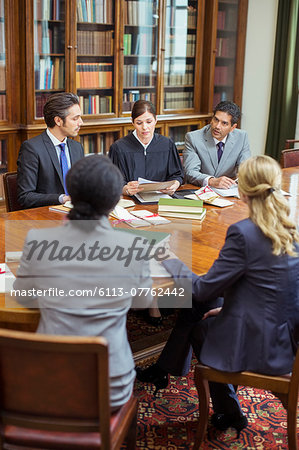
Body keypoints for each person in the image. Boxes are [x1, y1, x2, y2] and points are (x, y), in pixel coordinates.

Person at [136, 155, 299, 436]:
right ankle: (166, 368)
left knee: (199, 318)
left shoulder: (243, 233)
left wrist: (167, 256)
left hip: (258, 344)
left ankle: (230, 411)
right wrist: (231, 308)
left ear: (243, 191)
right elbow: (277, 287)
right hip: (287, 339)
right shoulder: (290, 229)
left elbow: (200, 289)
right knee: (203, 310)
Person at [13, 154, 154, 411]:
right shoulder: (135, 246)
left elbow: (23, 296)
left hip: (47, 380)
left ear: (72, 195)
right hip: (112, 386)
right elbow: (143, 301)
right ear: (114, 203)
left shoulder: (37, 240)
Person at [17, 92, 84, 209]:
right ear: (58, 121)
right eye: (75, 118)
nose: (81, 122)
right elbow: (25, 196)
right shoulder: (32, 148)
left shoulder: (76, 147)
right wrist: (62, 198)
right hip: (47, 217)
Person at [109, 99, 184, 197]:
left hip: (161, 199)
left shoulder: (167, 145)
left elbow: (177, 175)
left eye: (149, 122)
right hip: (131, 201)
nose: (144, 127)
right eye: (139, 123)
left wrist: (175, 185)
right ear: (132, 122)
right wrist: (125, 189)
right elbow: (112, 181)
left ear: (156, 120)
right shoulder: (119, 148)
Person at [184, 101, 250, 188]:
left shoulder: (241, 137)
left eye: (224, 123)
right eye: (216, 120)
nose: (217, 126)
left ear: (233, 127)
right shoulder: (193, 138)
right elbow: (190, 172)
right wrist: (211, 181)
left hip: (228, 191)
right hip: (201, 189)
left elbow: (245, 169)